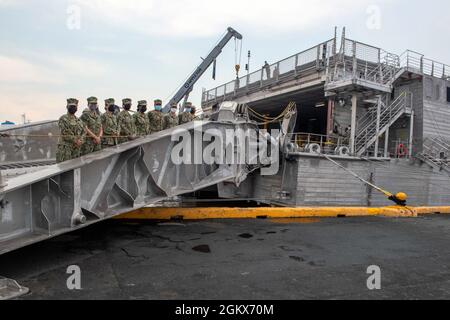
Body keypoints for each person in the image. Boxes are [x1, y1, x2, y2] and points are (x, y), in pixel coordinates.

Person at [56, 98, 86, 163]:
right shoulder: (63, 118)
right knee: (64, 169)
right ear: (67, 107)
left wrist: (81, 140)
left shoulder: (79, 121)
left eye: (74, 106)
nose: (73, 108)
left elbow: (84, 132)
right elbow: (64, 132)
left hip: (76, 150)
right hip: (65, 149)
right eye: (71, 106)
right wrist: (76, 140)